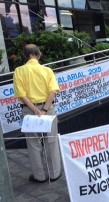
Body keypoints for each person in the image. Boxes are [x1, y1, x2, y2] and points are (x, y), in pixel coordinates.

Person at [13, 44, 61, 183]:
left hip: (29, 111)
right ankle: (55, 174)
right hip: (48, 109)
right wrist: (44, 110)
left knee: (33, 144)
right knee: (51, 141)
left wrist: (35, 110)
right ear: (38, 54)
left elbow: (21, 95)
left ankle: (39, 176)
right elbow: (53, 91)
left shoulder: (18, 71)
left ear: (25, 56)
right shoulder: (47, 70)